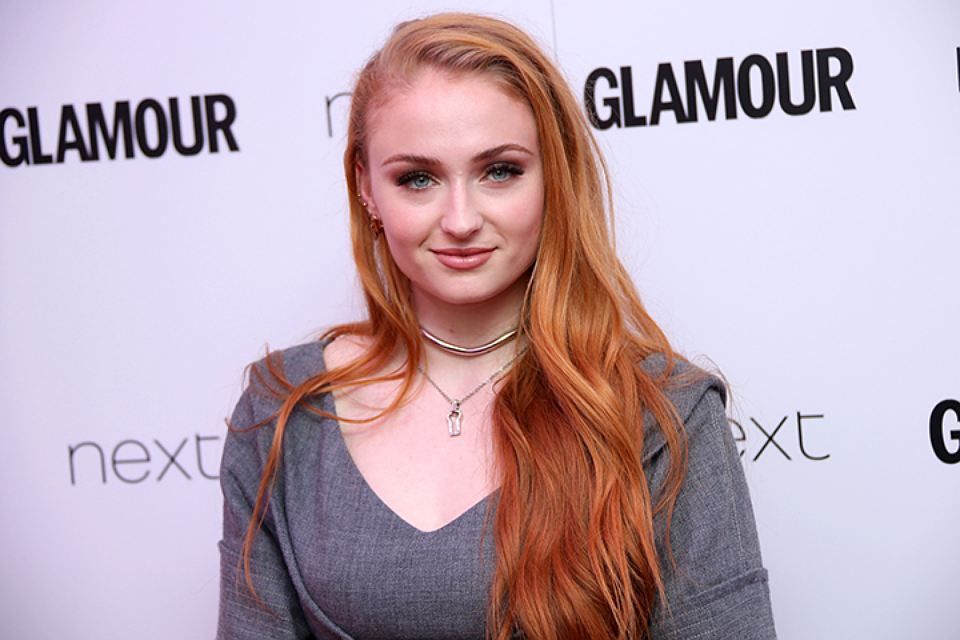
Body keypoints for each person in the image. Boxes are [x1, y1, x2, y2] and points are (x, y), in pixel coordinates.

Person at [216, 12, 777, 640]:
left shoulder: (662, 412)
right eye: (418, 178)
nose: (461, 219)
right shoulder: (283, 410)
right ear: (366, 187)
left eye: (500, 171)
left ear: (554, 174)